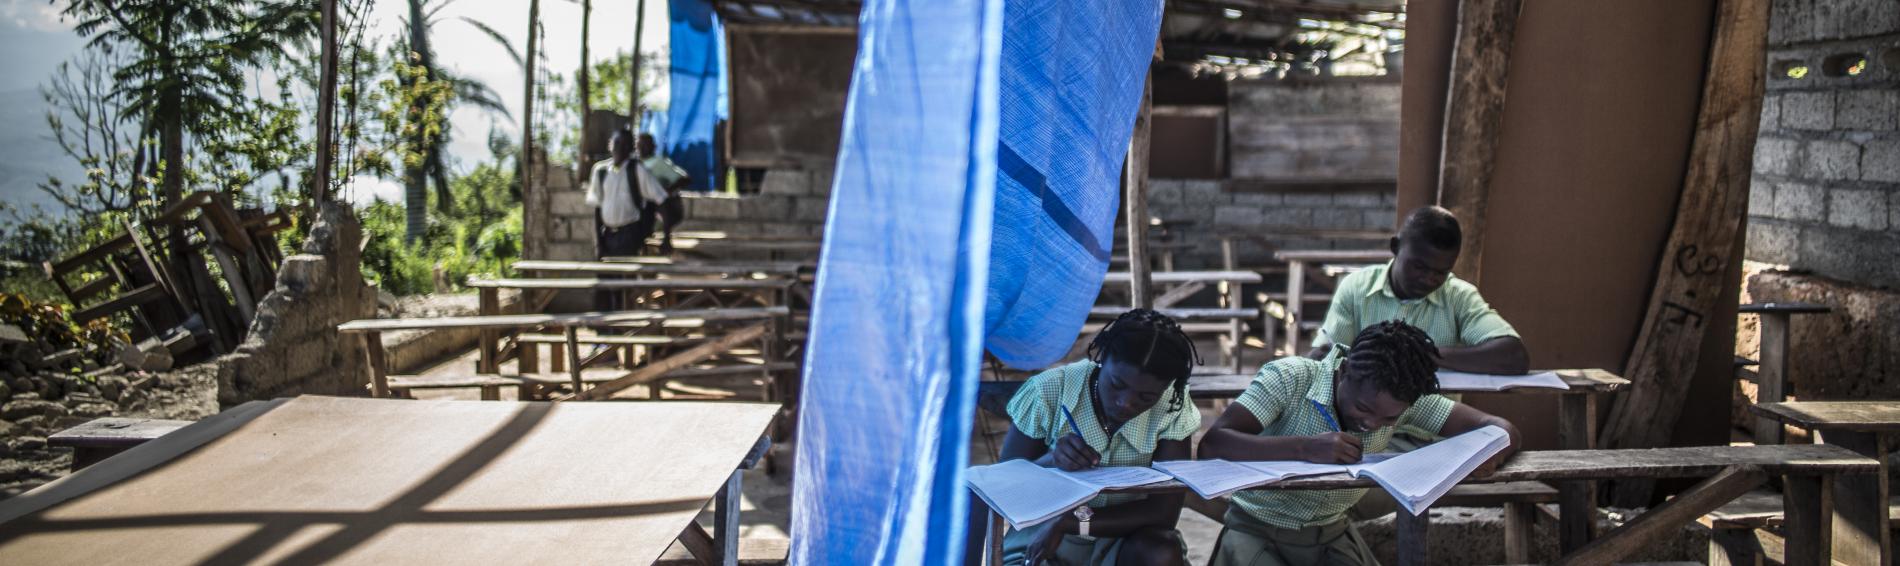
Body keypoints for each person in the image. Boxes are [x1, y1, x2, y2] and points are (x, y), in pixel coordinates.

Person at [1201, 321, 1522, 566]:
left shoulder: (1405, 399)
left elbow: (1500, 427)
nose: (1370, 424)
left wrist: (1490, 453)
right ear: (1345, 369)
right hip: (1257, 528)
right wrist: (1303, 448)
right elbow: (1213, 444)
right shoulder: (1290, 378)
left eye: (1388, 420)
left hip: (1330, 533)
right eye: (1363, 409)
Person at [986, 309, 1202, 566]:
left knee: (1160, 552)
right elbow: (1003, 489)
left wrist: (1074, 522)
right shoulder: (1050, 390)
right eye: (1116, 384)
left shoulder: (1172, 408)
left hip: (1119, 536)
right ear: (1102, 357)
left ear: (1167, 388)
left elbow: (1163, 513)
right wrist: (1051, 460)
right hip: (1041, 537)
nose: (1126, 404)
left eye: (1146, 397)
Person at [1304, 206, 1529, 376]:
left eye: (1441, 272)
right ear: (1395, 247)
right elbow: (1324, 355)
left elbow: (1514, 357)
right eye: (1419, 267)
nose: (1429, 278)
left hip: (1435, 427)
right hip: (1364, 424)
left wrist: (1423, 353)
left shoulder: (1459, 297)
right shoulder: (1356, 288)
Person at [584, 128, 666, 311]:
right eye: (617, 143)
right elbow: (597, 209)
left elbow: (660, 198)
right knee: (605, 283)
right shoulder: (600, 171)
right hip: (608, 236)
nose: (620, 148)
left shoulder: (637, 170)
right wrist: (598, 242)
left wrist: (665, 236)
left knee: (624, 284)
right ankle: (605, 330)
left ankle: (623, 325)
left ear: (631, 149)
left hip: (629, 234)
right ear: (610, 145)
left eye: (625, 144)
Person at [635, 133, 691, 254]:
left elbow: (685, 178)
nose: (642, 148)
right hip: (639, 211)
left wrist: (666, 191)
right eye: (640, 145)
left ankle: (665, 239)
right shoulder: (634, 165)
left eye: (646, 145)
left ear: (653, 147)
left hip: (656, 210)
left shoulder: (658, 163)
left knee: (661, 201)